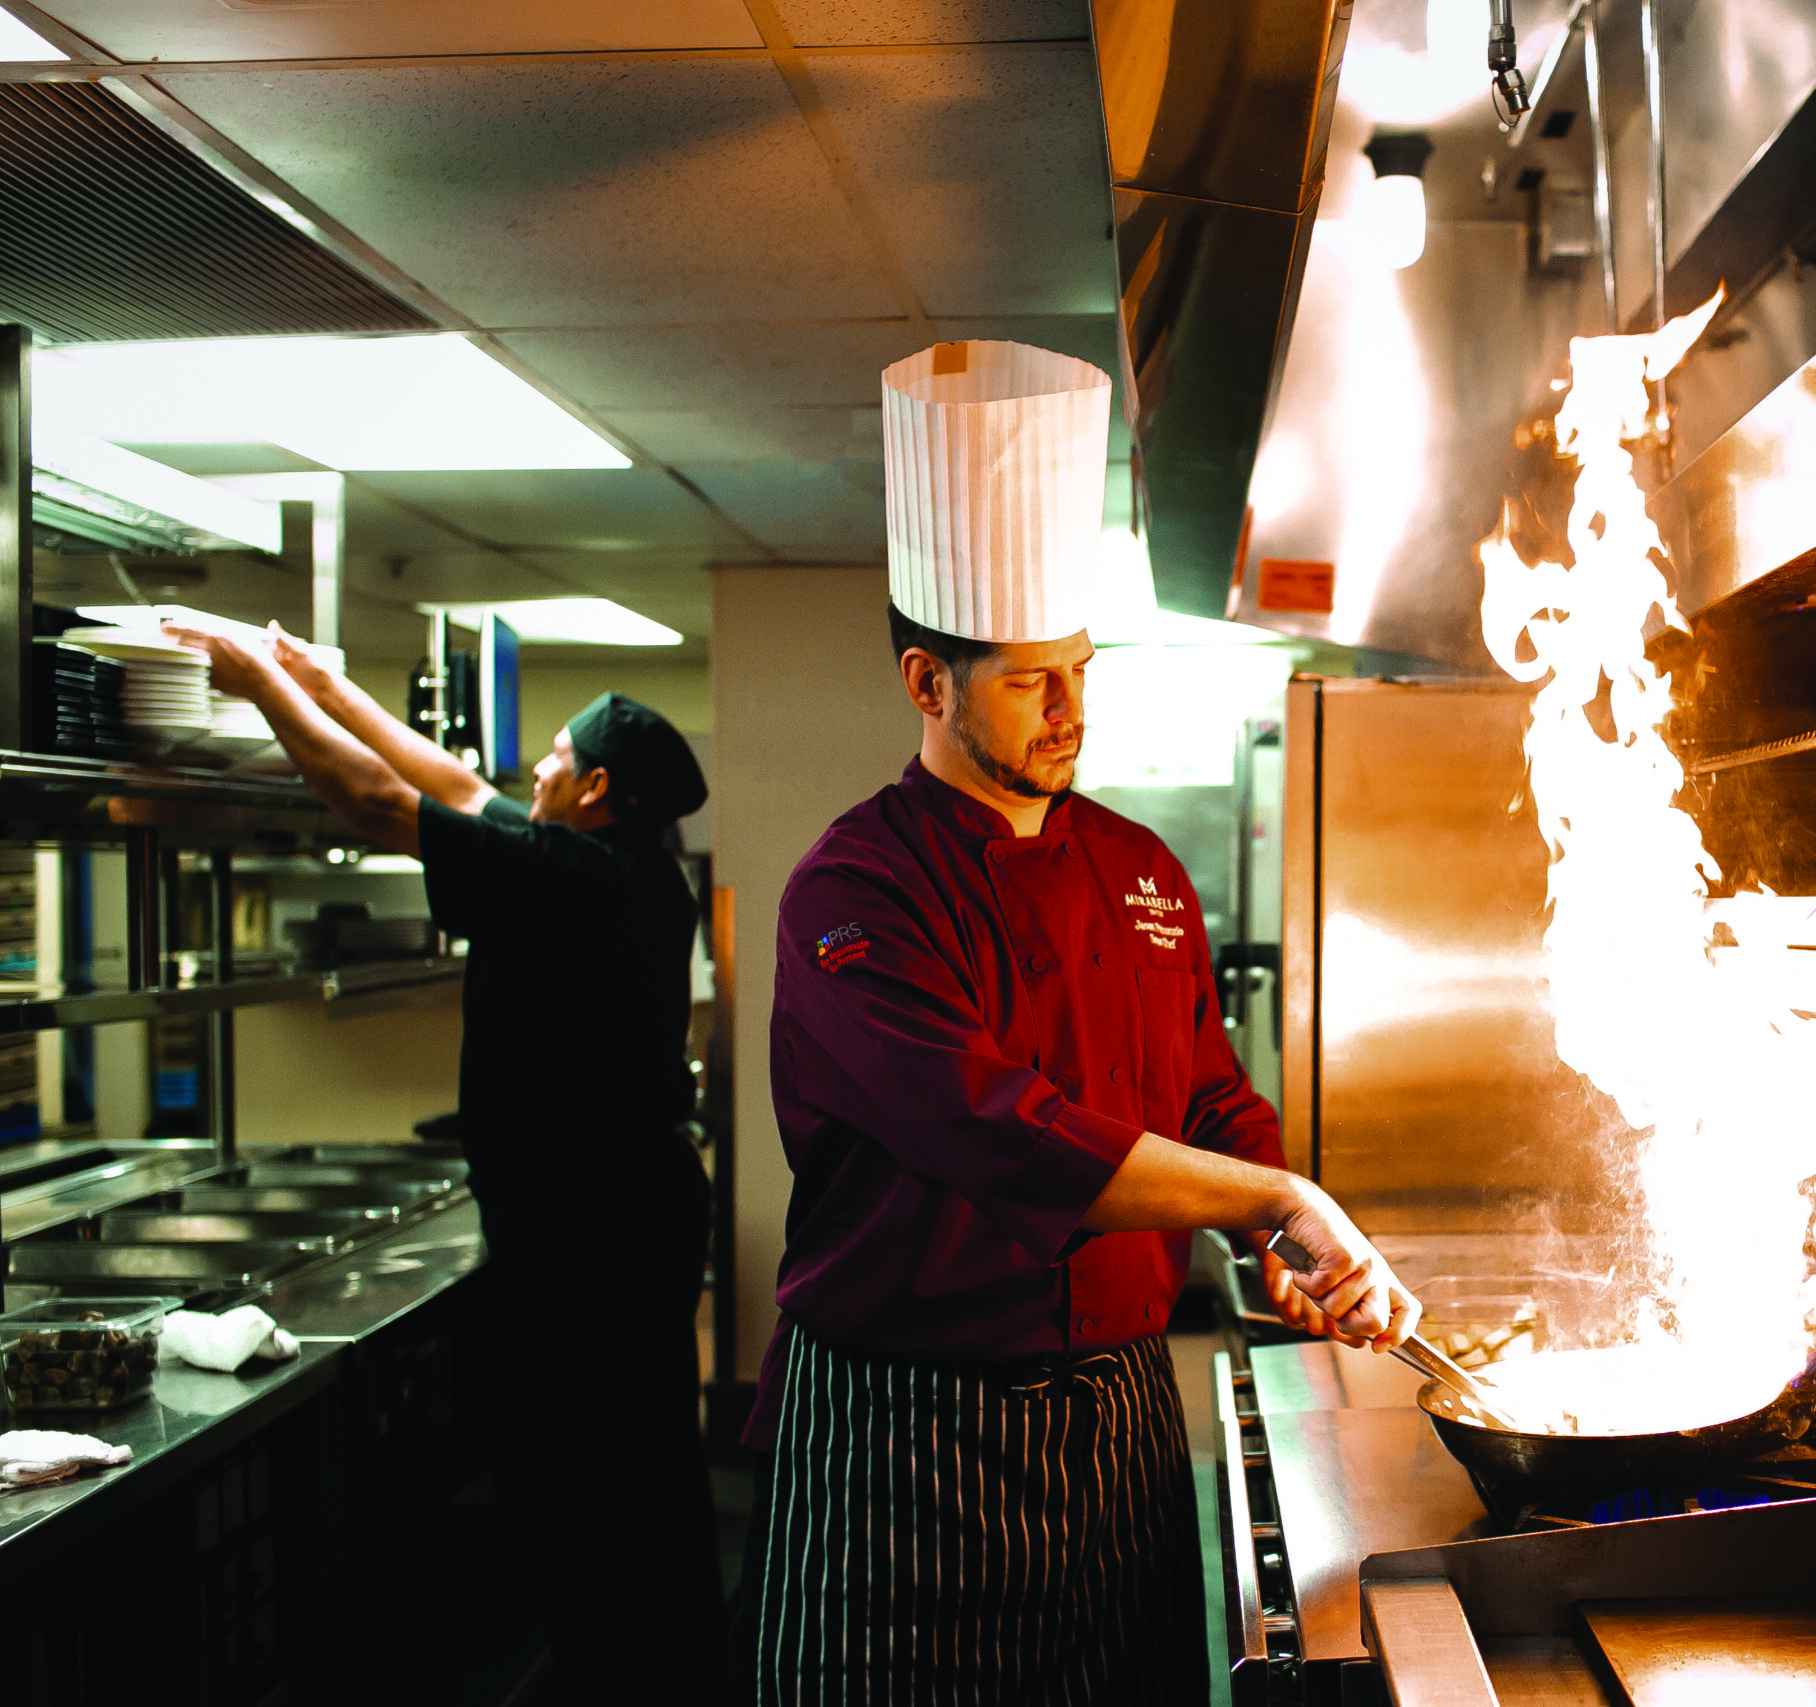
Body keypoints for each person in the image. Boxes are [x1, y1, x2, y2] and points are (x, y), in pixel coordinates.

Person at [736, 339, 1420, 1705]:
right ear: (928, 683)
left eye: (1081, 666)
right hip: (899, 1431)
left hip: (1112, 1410)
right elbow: (999, 1132)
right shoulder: (855, 887)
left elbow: (1208, 1093)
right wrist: (1268, 1197)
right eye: (1026, 679)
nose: (1070, 708)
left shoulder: (1141, 868)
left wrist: (1274, 1219)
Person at [163, 623, 725, 1705]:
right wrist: (330, 682)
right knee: (635, 1469)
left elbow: (382, 804)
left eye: (556, 757)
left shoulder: (568, 874)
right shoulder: (624, 869)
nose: (536, 769)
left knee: (600, 1485)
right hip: (624, 1217)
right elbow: (459, 786)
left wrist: (264, 686)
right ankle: (655, 1659)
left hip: (592, 1235)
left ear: (597, 788)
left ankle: (630, 1669)